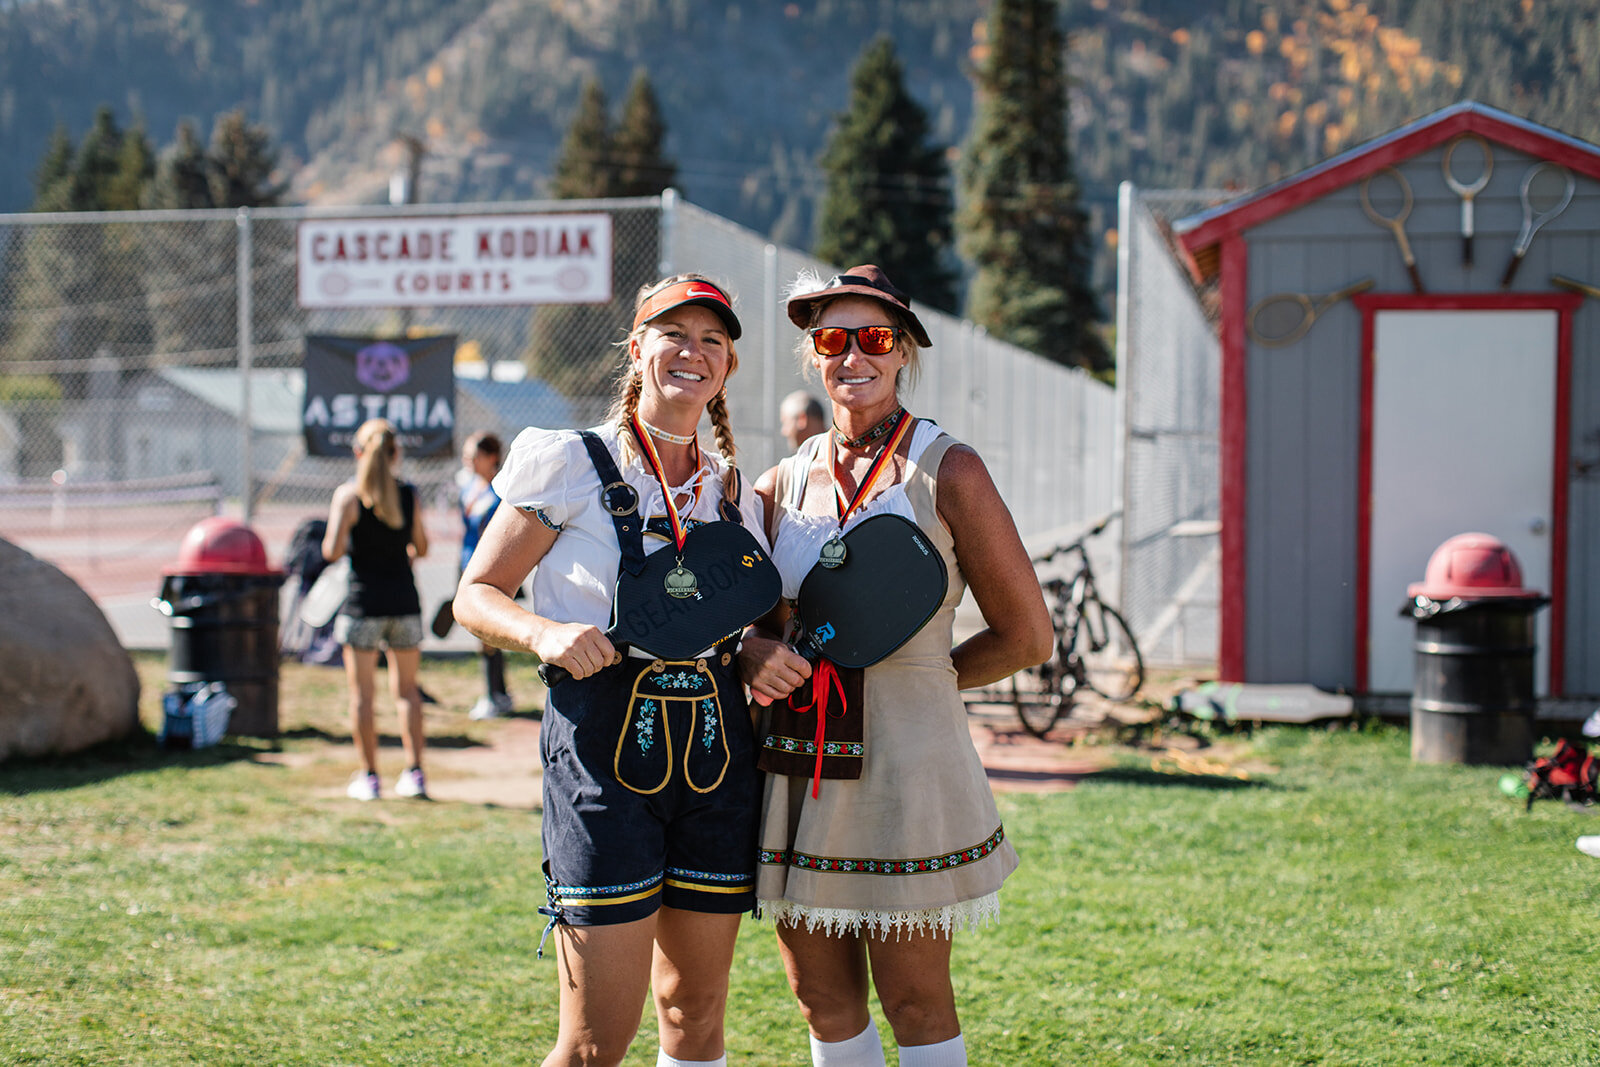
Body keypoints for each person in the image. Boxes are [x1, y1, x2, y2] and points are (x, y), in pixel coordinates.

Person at [738, 265, 1053, 1067]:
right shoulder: (779, 484)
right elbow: (756, 626)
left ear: (904, 349)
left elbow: (1027, 636)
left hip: (910, 763)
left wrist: (924, 678)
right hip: (798, 760)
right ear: (813, 356)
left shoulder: (951, 470)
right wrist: (755, 650)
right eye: (832, 339)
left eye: (874, 337)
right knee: (820, 996)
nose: (854, 356)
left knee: (916, 999)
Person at [453, 274, 769, 1067]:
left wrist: (757, 648)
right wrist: (544, 631)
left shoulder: (732, 489)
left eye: (712, 341)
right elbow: (475, 596)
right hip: (602, 754)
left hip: (718, 756)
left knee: (693, 1016)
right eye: (674, 334)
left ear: (728, 366)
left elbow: (743, 628)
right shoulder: (570, 462)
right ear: (637, 348)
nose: (692, 352)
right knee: (595, 1041)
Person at [321, 418, 431, 802]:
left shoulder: (348, 497)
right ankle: (415, 773)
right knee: (407, 693)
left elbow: (330, 551)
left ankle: (370, 777)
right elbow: (422, 546)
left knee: (362, 697)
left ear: (358, 452)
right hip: (403, 603)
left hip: (362, 606)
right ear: (395, 453)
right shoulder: (408, 494)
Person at [457, 431, 515, 720]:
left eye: (473, 455)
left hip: (491, 571)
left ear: (491, 458)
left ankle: (495, 696)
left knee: (487, 634)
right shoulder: (469, 488)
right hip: (466, 565)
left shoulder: (503, 491)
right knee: (481, 635)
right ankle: (498, 693)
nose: (467, 461)